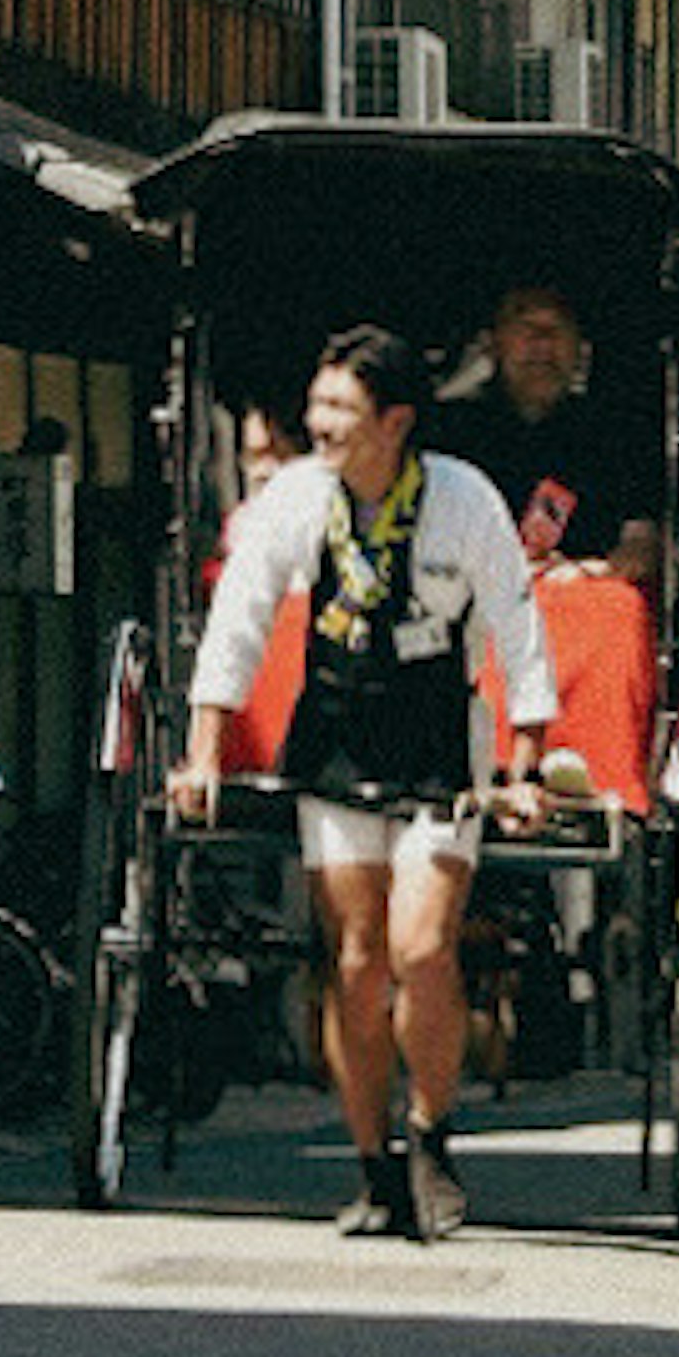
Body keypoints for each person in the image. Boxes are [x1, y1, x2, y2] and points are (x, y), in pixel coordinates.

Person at [175, 322, 554, 1241]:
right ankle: (373, 1166)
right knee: (353, 958)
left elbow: (516, 622)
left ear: (395, 420)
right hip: (337, 733)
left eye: (341, 407)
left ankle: (430, 1129)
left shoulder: (463, 500)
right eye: (318, 405)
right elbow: (241, 616)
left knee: (422, 946)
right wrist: (202, 750)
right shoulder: (298, 499)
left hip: (436, 733)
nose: (320, 423)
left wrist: (527, 767)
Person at [430, 278, 663, 599]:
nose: (542, 343)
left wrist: (594, 572)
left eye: (557, 328)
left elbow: (640, 547)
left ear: (581, 348)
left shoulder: (614, 438)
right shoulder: (449, 435)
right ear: (494, 343)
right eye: (525, 327)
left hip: (581, 617)